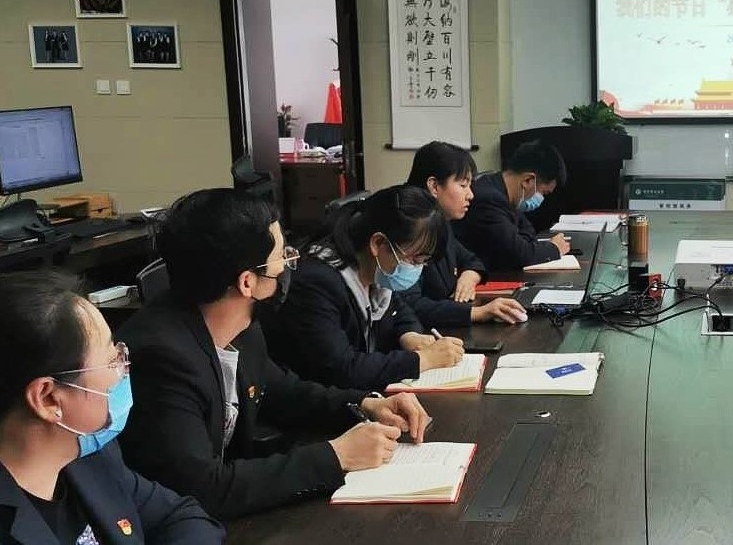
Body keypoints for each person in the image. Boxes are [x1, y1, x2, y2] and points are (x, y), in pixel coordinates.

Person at [118, 189, 430, 519]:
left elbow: (284, 391)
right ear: (247, 282)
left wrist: (367, 404)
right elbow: (203, 488)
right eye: (283, 257)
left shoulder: (241, 329)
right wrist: (336, 456)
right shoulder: (162, 358)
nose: (288, 267)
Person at [0, 271, 224, 544]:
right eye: (112, 361)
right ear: (47, 398)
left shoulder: (91, 458)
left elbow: (182, 517)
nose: (123, 369)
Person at [259, 185, 465, 391]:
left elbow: (400, 310)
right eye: (414, 260)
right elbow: (342, 369)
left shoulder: (376, 272)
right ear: (378, 243)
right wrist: (421, 360)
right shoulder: (316, 283)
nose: (417, 268)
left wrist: (410, 335)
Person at [400, 141, 528, 326]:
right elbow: (410, 305)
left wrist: (469, 276)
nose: (471, 195)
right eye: (463, 185)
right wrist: (478, 312)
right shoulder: (407, 226)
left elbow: (470, 259)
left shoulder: (440, 222)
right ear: (434, 186)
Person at [452, 140, 570, 271]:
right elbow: (519, 254)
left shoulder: (504, 193)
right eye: (543, 193)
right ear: (528, 180)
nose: (541, 199)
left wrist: (522, 245)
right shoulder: (488, 199)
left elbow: (528, 233)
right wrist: (554, 248)